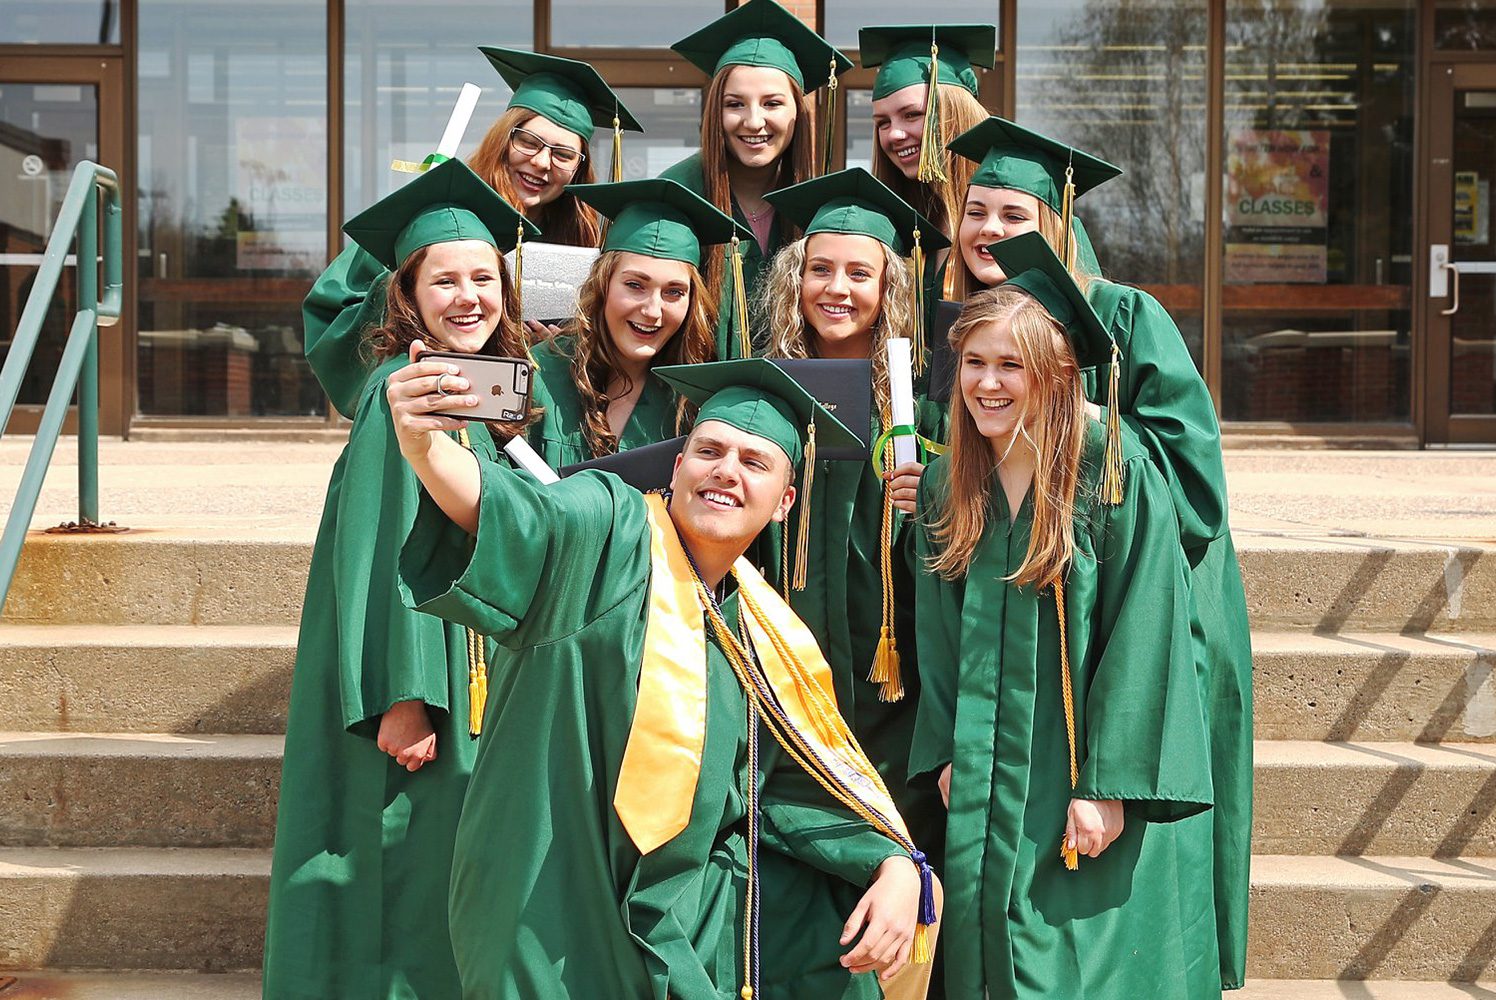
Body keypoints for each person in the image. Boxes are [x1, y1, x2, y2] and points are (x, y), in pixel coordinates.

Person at [388, 356, 936, 1000]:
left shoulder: (767, 637)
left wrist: (896, 863)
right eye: (709, 450)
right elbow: (510, 509)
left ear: (786, 501)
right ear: (677, 467)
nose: (726, 471)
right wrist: (424, 445)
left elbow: (788, 784)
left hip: (670, 914)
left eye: (755, 463)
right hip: (552, 910)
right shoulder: (609, 531)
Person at [950, 115, 1254, 991]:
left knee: (1124, 881)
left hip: (1138, 594)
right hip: (1021, 599)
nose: (989, 231)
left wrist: (1078, 434)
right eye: (975, 211)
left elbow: (1194, 489)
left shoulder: (1124, 314)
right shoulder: (972, 325)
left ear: (1056, 220)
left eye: (1013, 214)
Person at [910, 235, 1220, 1000]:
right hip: (986, 760)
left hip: (1076, 759)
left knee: (1076, 952)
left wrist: (1110, 786)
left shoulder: (1113, 472)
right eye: (975, 363)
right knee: (990, 939)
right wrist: (950, 750)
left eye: (1010, 366)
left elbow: (1144, 633)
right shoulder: (951, 481)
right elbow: (940, 635)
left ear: (1054, 375)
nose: (987, 383)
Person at [263, 159, 540, 1000]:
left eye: (483, 278)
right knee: (406, 864)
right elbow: (378, 548)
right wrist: (405, 696)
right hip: (427, 674)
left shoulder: (495, 390)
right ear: (408, 298)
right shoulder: (402, 390)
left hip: (486, 659)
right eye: (443, 280)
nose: (467, 297)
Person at [757, 166, 953, 997]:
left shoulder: (928, 410)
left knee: (900, 879)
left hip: (894, 697)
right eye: (819, 268)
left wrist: (932, 492)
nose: (836, 289)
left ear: (890, 288)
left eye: (858, 272)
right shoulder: (760, 390)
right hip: (787, 686)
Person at [305, 47, 643, 416]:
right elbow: (334, 315)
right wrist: (415, 294)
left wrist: (563, 345)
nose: (542, 162)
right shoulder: (435, 213)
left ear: (579, 168)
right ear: (503, 139)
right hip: (439, 401)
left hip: (530, 414)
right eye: (528, 142)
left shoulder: (585, 240)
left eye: (563, 154)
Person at [663, 0, 851, 359]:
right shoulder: (678, 196)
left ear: (799, 111)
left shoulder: (820, 207)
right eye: (735, 104)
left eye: (772, 103)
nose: (753, 121)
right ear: (715, 111)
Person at [524, 178, 745, 466]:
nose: (653, 311)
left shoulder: (695, 400)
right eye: (635, 285)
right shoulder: (539, 376)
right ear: (603, 284)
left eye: (674, 292)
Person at [859, 23, 995, 304]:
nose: (894, 134)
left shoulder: (1018, 214)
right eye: (882, 122)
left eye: (911, 115)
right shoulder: (905, 227)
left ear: (955, 113)